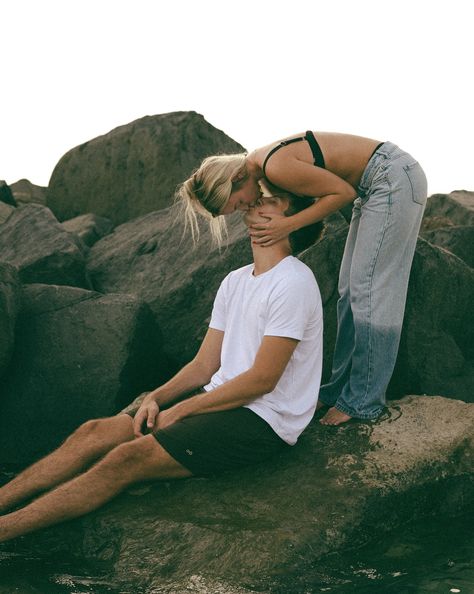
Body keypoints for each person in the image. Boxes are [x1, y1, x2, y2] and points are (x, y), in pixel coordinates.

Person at [0, 187, 323, 543]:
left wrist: (184, 409)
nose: (257, 201)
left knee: (126, 458)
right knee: (95, 432)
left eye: (271, 203)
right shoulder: (236, 280)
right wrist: (156, 396)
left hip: (262, 420)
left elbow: (262, 380)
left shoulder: (293, 281)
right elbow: (204, 364)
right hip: (220, 400)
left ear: (290, 222)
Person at [178, 131, 428, 425]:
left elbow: (342, 194)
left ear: (234, 179)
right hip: (372, 187)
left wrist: (287, 226)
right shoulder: (266, 172)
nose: (244, 209)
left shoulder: (274, 167)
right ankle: (337, 389)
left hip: (390, 178)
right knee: (349, 290)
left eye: (237, 204)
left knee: (370, 291)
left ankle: (364, 401)